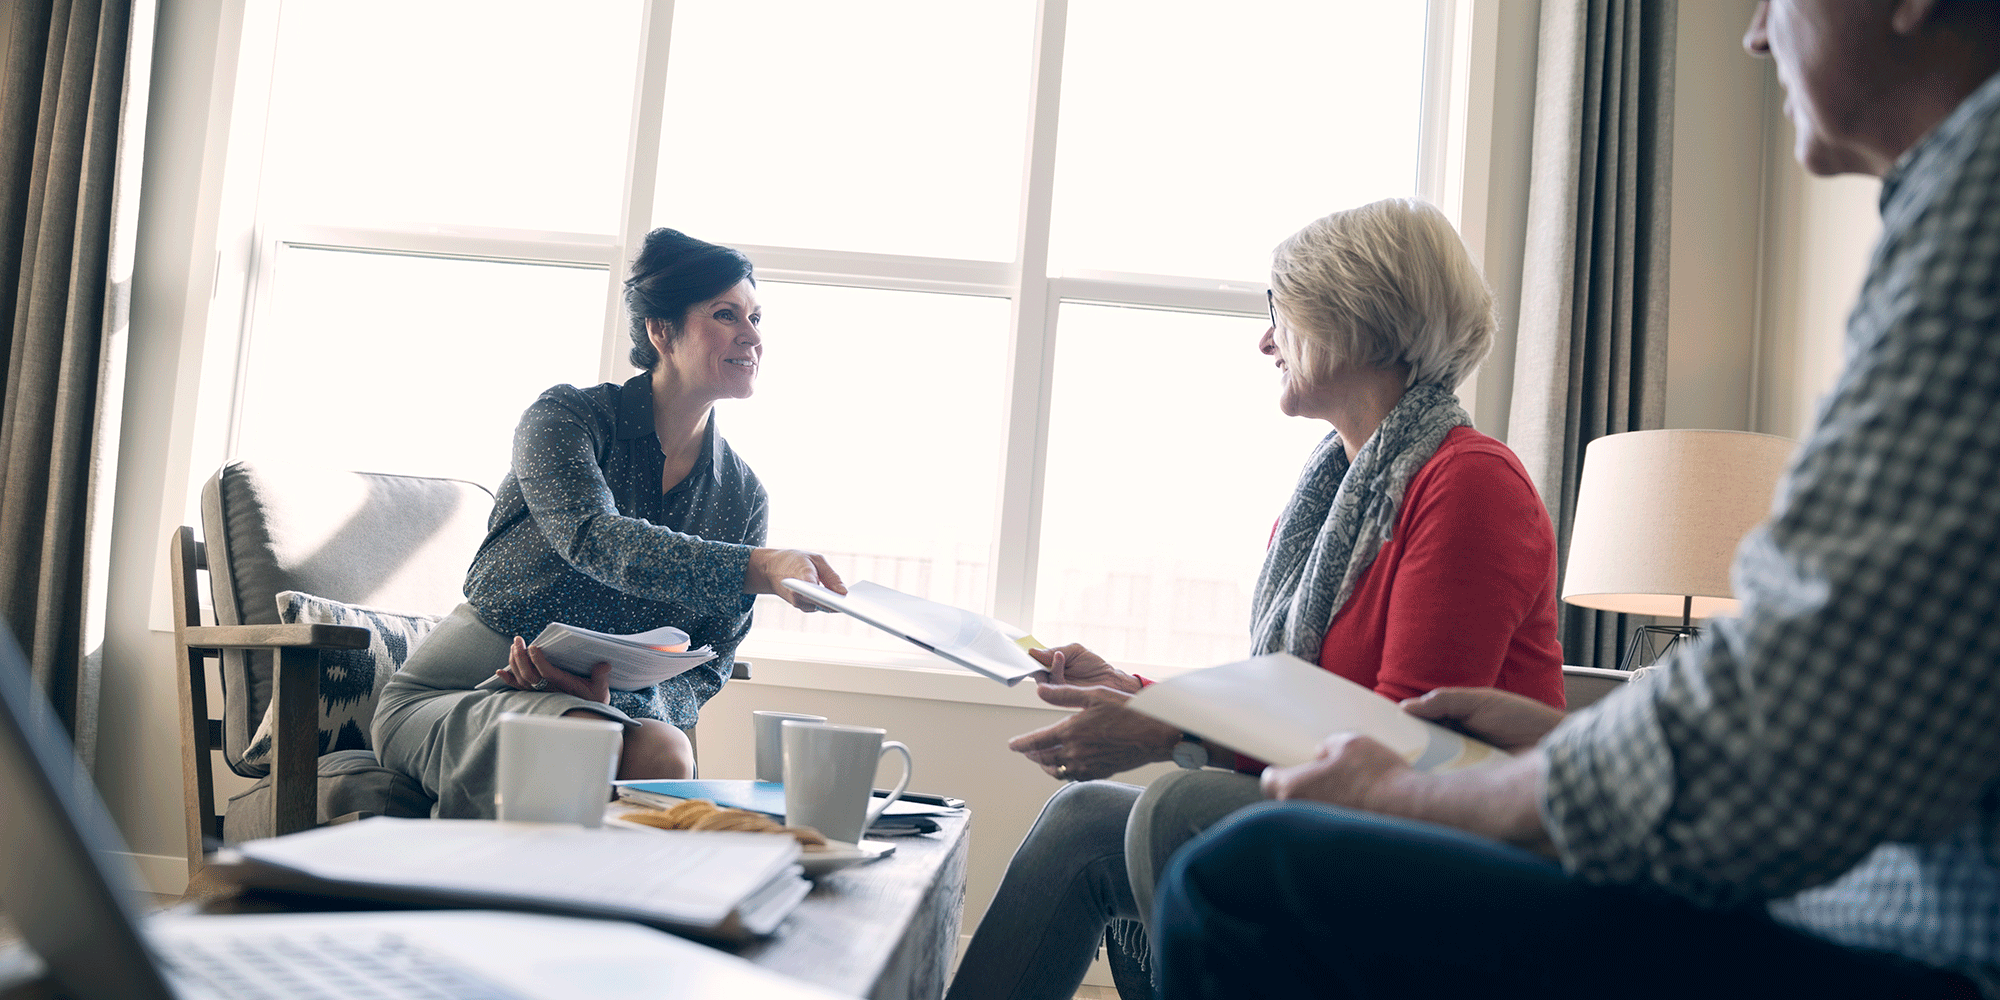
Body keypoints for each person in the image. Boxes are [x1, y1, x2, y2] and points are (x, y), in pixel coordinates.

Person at [1152, 2, 2000, 998]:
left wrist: (1420, 800)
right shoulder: (1324, 498)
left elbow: (1795, 716)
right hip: (1841, 902)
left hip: (1918, 948)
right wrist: (1575, 738)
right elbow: (1861, 692)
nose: (1756, 35)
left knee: (1244, 878)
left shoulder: (1974, 209)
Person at [945, 198, 1565, 1000]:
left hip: (1456, 841)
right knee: (1088, 819)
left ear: (1354, 313)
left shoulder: (1470, 481)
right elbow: (1287, 704)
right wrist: (1136, 697)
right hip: (1365, 808)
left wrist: (1167, 727)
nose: (1266, 338)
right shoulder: (1327, 500)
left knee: (1181, 807)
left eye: (1280, 308)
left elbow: (1404, 747)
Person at [372, 228, 845, 820]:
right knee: (582, 738)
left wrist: (616, 696)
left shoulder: (742, 493)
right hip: (454, 695)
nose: (752, 336)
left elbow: (711, 659)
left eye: (756, 317)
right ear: (661, 331)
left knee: (666, 750)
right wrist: (760, 565)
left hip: (594, 708)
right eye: (727, 315)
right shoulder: (566, 418)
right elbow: (596, 539)